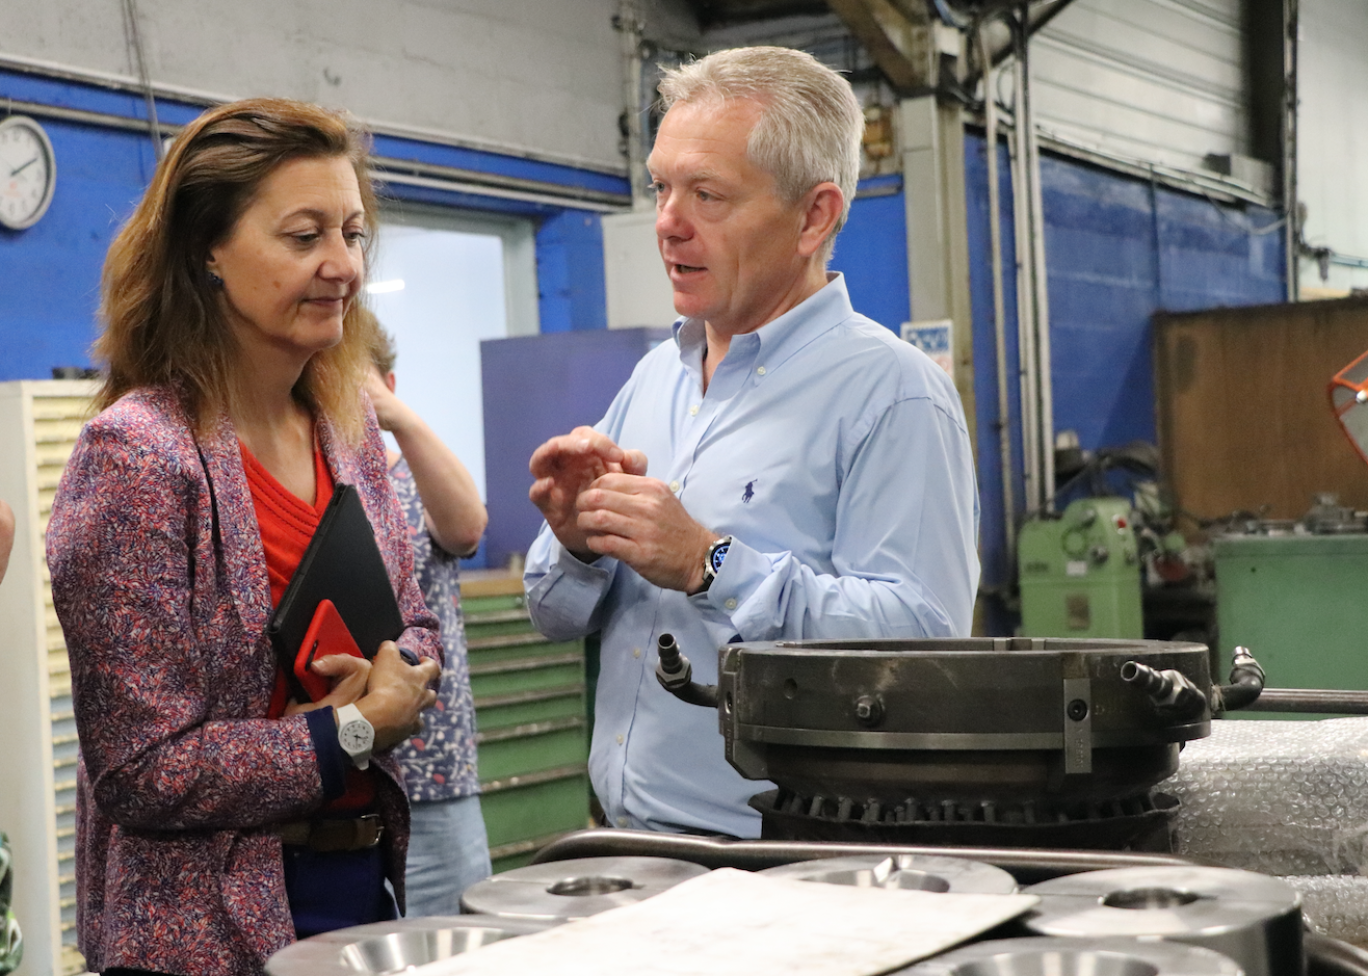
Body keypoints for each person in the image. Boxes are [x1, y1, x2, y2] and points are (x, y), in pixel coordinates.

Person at [524, 46, 980, 839]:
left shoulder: (893, 395)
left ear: (814, 216)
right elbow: (554, 615)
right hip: (630, 837)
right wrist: (578, 545)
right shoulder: (654, 380)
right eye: (662, 187)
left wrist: (711, 563)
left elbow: (921, 648)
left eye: (707, 194)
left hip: (787, 860)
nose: (667, 222)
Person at [45, 98, 442, 976]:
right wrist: (347, 733)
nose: (343, 264)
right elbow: (142, 768)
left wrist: (392, 682)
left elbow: (415, 626)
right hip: (207, 923)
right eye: (304, 237)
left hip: (355, 881)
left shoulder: (348, 439)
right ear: (206, 253)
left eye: (353, 232)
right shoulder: (138, 457)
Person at [364, 321, 493, 913]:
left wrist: (400, 419)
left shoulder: (410, 480)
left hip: (433, 781)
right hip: (337, 784)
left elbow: (467, 527)